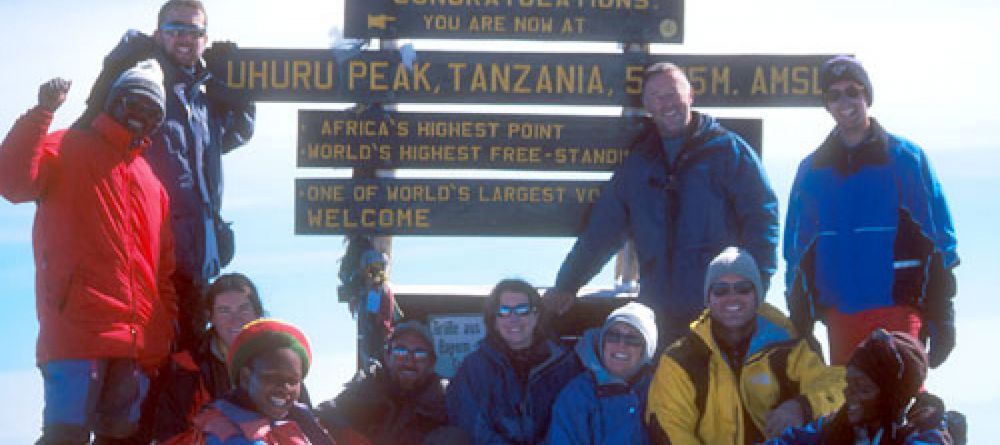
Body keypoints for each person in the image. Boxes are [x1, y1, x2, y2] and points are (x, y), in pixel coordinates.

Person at [0, 61, 176, 444]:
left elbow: (162, 271)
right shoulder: (65, 146)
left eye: (152, 112)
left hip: (135, 343)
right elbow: (12, 181)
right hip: (76, 331)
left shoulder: (153, 184)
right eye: (133, 103)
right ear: (113, 101)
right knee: (65, 436)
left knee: (123, 438)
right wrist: (42, 112)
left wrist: (164, 330)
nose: (140, 117)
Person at [545, 62, 779, 347]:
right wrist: (568, 283)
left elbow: (762, 219)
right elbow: (602, 232)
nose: (666, 102)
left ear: (690, 95)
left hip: (719, 311)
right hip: (658, 315)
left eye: (673, 92)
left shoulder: (729, 152)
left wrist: (756, 285)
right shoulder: (639, 165)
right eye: (656, 95)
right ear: (646, 105)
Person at [76, 0, 256, 350]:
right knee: (150, 365)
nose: (185, 38)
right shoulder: (140, 89)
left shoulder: (200, 98)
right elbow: (93, 131)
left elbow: (233, 136)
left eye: (194, 31)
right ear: (158, 35)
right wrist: (116, 68)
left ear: (206, 38)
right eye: (175, 30)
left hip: (197, 259)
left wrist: (240, 91)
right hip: (148, 258)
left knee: (190, 367)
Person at [783, 55, 959, 366]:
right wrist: (801, 319)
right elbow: (797, 250)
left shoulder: (905, 159)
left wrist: (942, 315)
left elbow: (939, 240)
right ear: (826, 104)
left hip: (899, 310)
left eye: (852, 91)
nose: (844, 102)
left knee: (899, 405)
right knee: (851, 406)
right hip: (841, 316)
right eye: (834, 95)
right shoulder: (812, 170)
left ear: (867, 96)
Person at [646, 247, 845, 444]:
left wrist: (803, 407)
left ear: (757, 296)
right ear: (708, 299)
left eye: (743, 288)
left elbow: (838, 385)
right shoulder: (680, 361)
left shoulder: (788, 348)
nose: (732, 298)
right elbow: (670, 425)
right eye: (721, 290)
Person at [446, 279, 581, 444]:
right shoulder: (473, 368)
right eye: (503, 311)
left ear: (536, 315)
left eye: (522, 310)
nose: (513, 318)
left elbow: (571, 419)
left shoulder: (564, 365)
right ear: (494, 321)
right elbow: (470, 422)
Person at [761, 329, 954, 445]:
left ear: (892, 395)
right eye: (849, 382)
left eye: (863, 389)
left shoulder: (924, 435)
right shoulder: (837, 427)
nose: (848, 394)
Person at [163, 319, 334, 444]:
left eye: (293, 380)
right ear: (245, 378)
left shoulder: (290, 421)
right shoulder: (227, 434)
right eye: (271, 377)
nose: (285, 388)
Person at [153, 273, 267, 442]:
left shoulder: (280, 363)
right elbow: (168, 435)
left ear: (257, 313)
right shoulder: (188, 367)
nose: (235, 319)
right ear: (211, 317)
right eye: (224, 310)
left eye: (244, 308)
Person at [315, 320, 468, 445]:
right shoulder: (366, 386)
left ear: (431, 363)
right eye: (400, 351)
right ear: (387, 357)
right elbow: (324, 415)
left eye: (420, 353)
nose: (410, 359)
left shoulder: (446, 398)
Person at [546, 302, 658, 445]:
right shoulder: (578, 394)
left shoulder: (660, 390)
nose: (621, 345)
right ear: (602, 343)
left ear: (646, 351)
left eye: (633, 339)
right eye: (613, 336)